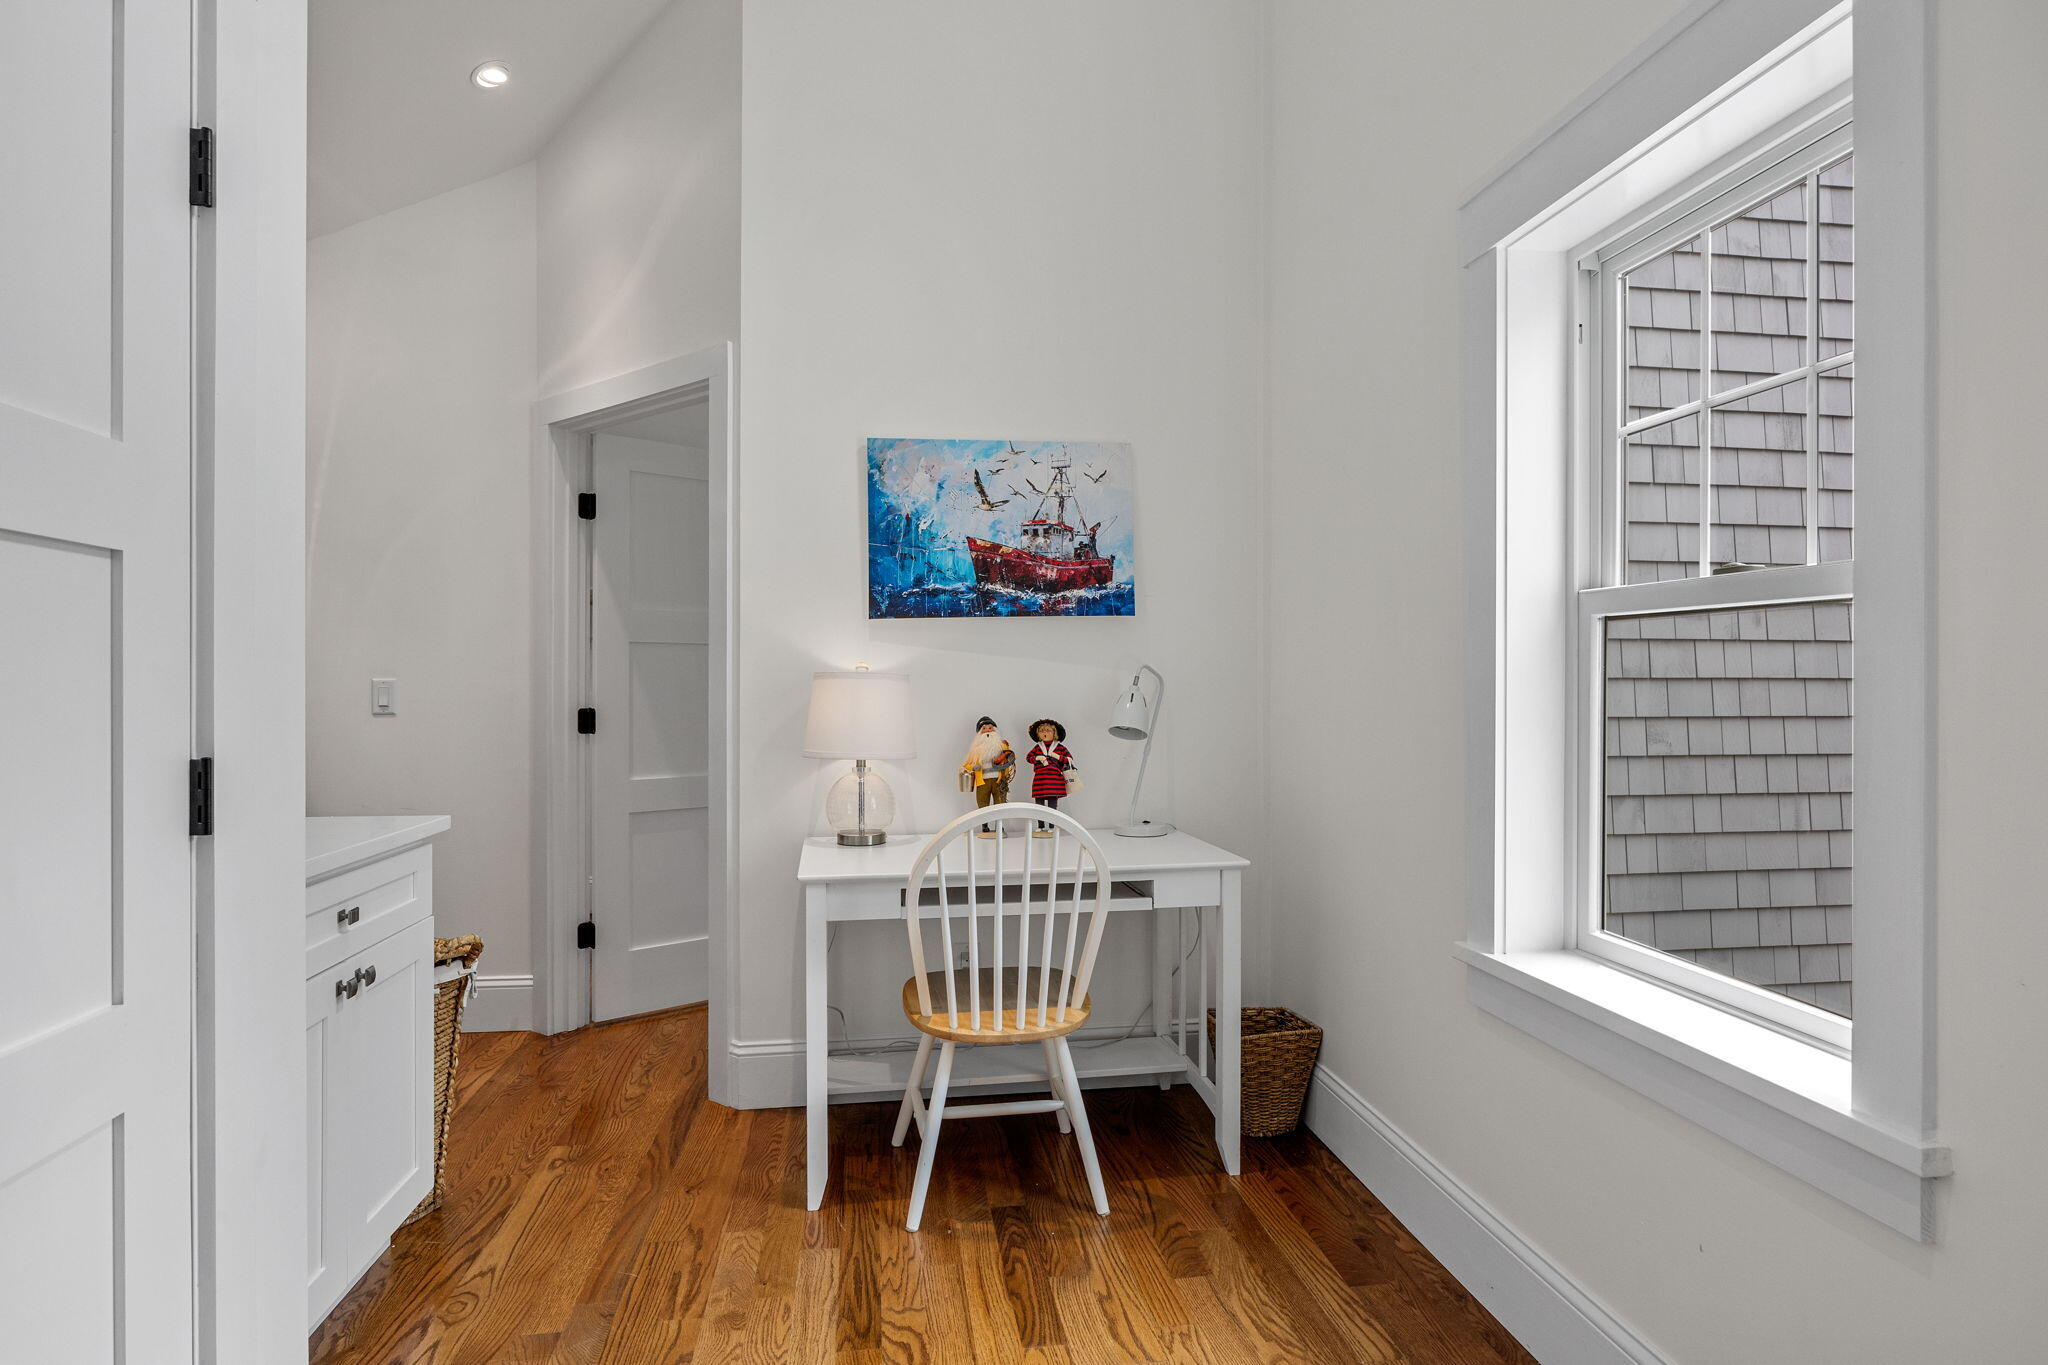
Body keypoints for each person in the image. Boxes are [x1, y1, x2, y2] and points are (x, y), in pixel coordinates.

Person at [959, 716, 1016, 836]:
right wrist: (973, 767)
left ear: (995, 730)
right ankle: (984, 825)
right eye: (984, 728)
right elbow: (967, 764)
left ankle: (999, 825)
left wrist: (1007, 757)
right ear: (980, 732)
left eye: (990, 728)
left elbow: (1011, 757)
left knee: (999, 803)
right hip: (983, 781)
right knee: (982, 803)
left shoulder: (1002, 745)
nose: (988, 731)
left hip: (999, 780)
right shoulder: (975, 750)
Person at [1024, 718, 1075, 836]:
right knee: (1039, 805)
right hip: (1039, 780)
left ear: (1054, 733)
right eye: (1041, 730)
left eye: (1048, 730)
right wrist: (1037, 758)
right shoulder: (1037, 747)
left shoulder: (1060, 747)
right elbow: (1028, 758)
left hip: (1054, 781)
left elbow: (1070, 760)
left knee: (1052, 806)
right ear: (1038, 734)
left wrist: (1058, 757)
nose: (1045, 733)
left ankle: (1052, 826)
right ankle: (1041, 826)